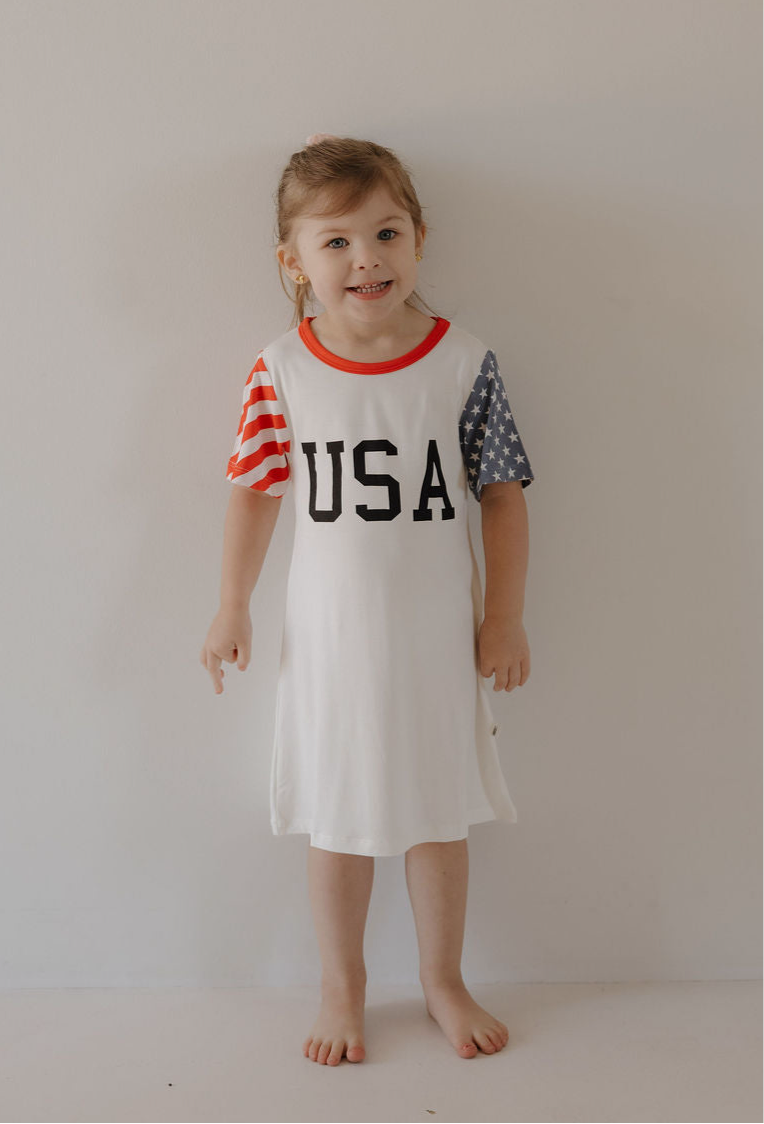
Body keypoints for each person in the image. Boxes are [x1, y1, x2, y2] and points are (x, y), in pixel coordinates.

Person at [200, 134, 536, 1066]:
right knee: (340, 817)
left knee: (437, 816)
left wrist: (502, 616)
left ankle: (442, 980)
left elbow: (503, 495)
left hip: (435, 642)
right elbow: (254, 492)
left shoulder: (464, 364)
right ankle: (341, 987)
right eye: (336, 242)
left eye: (386, 233)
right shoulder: (283, 369)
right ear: (293, 263)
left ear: (419, 239)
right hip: (332, 645)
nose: (366, 259)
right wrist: (233, 606)